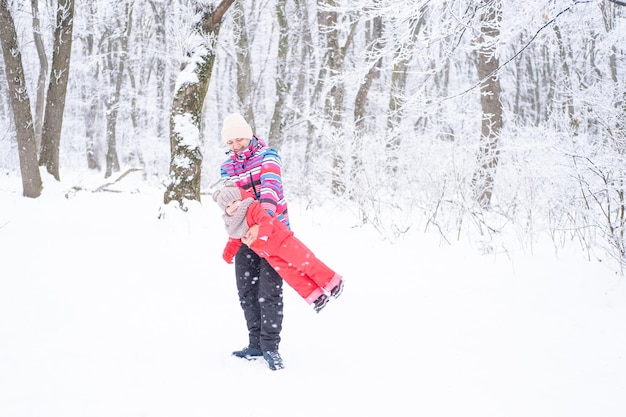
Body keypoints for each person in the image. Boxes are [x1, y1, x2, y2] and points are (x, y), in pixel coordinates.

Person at [218, 113, 289, 371]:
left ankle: (271, 347)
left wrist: (263, 222)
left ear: (250, 135)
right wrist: (227, 208)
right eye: (231, 142)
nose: (236, 145)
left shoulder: (268, 156)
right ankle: (255, 343)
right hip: (244, 235)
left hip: (273, 233)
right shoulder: (227, 166)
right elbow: (227, 197)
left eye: (240, 139)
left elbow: (271, 190)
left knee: (269, 291)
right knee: (247, 291)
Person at [214, 182, 344, 312]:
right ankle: (315, 296)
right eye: (227, 206)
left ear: (241, 197)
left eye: (234, 201)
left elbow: (266, 221)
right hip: (269, 254)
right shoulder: (235, 224)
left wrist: (261, 239)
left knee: (305, 262)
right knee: (291, 275)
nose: (232, 207)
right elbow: (234, 239)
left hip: (281, 241)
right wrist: (228, 252)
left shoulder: (252, 207)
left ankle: (332, 282)